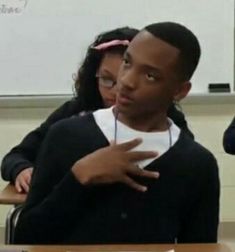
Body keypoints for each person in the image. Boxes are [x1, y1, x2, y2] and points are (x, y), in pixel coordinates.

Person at [14, 21, 219, 244]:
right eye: (127, 62)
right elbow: (26, 236)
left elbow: (200, 248)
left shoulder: (196, 164)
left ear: (180, 91)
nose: (126, 81)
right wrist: (78, 178)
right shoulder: (65, 136)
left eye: (150, 76)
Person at [1, 26, 193, 194]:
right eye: (107, 80)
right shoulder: (72, 117)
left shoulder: (170, 125)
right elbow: (17, 156)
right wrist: (21, 168)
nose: (121, 88)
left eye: (148, 76)